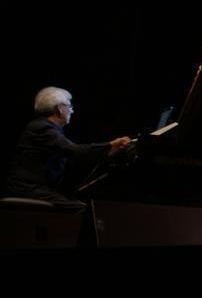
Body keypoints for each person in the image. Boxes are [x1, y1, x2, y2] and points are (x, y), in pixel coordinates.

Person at [5, 87, 133, 209]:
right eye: (69, 106)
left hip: (38, 188)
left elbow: (75, 156)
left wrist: (109, 152)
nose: (72, 110)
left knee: (82, 203)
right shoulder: (43, 128)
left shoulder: (48, 129)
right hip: (28, 188)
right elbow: (74, 151)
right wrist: (110, 145)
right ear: (60, 108)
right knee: (83, 210)